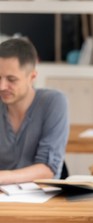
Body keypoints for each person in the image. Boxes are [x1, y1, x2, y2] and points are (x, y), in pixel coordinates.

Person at [0, 38, 69, 184]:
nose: (2, 86)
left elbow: (48, 169)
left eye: (11, 79)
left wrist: (3, 177)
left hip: (41, 199)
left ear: (32, 77)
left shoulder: (53, 102)